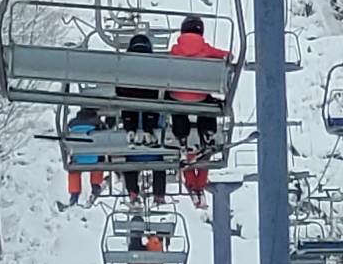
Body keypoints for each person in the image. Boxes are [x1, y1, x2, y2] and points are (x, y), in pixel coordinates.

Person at [167, 15, 228, 209]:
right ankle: (207, 133)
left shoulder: (175, 50)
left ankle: (182, 137)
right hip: (200, 97)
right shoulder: (206, 49)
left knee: (177, 107)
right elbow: (227, 55)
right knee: (207, 105)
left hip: (177, 98)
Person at [115, 33, 167, 206]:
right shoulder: (156, 67)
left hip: (130, 113)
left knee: (131, 162)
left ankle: (132, 191)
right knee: (159, 163)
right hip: (151, 118)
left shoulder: (123, 66)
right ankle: (158, 193)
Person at [64, 106, 107, 208]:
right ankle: (95, 184)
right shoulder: (98, 123)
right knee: (98, 158)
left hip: (78, 158)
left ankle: (74, 194)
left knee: (73, 169)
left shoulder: (72, 124)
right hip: (94, 158)